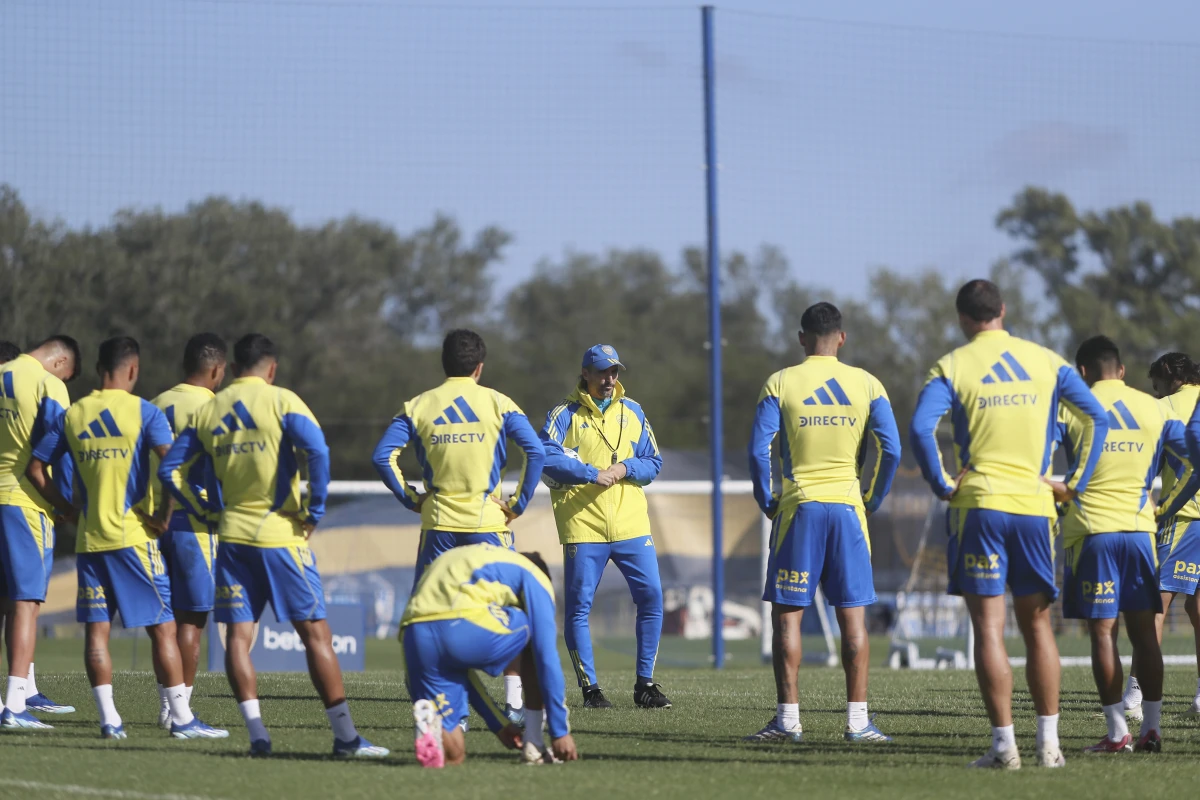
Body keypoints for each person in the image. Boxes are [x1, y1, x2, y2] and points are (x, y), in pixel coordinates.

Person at [910, 279, 1108, 770]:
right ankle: (1049, 746)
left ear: (962, 318)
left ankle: (1004, 747)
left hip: (978, 505)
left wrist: (940, 482)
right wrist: (1073, 484)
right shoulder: (1047, 361)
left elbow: (919, 427)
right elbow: (1097, 417)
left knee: (989, 628)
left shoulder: (953, 365)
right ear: (1003, 309)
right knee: (1039, 626)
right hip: (1035, 506)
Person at [159, 333, 386, 758]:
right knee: (316, 634)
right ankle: (346, 738)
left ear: (234, 366)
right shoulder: (282, 401)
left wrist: (203, 510)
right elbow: (317, 449)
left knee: (238, 639)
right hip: (280, 534)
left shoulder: (211, 410)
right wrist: (314, 510)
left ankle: (257, 734)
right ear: (271, 367)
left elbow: (171, 469)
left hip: (231, 540)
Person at [26, 336, 227, 740]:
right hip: (134, 536)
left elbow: (36, 468)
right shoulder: (143, 412)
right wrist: (162, 516)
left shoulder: (75, 413)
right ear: (132, 370)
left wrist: (67, 509)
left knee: (97, 631)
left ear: (100, 368)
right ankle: (181, 718)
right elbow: (171, 467)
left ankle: (109, 719)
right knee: (164, 628)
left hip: (89, 540)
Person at [744, 302, 901, 743]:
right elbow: (892, 450)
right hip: (849, 509)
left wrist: (767, 499)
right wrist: (872, 497)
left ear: (801, 338)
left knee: (788, 620)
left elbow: (759, 451)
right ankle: (858, 723)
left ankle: (788, 721)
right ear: (842, 338)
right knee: (853, 621)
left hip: (800, 509)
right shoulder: (868, 384)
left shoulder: (781, 381)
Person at [372, 328, 544, 723]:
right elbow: (534, 451)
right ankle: (515, 703)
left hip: (439, 527)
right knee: (506, 610)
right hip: (489, 523)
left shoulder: (419, 405)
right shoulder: (499, 403)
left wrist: (410, 498)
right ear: (479, 368)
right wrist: (517, 504)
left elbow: (382, 456)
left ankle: (449, 710)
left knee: (435, 613)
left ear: (444, 364)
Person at [1054, 336, 1183, 753]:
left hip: (1093, 534)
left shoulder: (1071, 407)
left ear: (1083, 373)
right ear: (1122, 371)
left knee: (1103, 634)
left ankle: (1116, 733)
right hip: (1141, 533)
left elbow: (1040, 458)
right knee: (1146, 634)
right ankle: (1152, 728)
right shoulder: (1155, 408)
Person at [539, 344, 670, 709]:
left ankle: (645, 685)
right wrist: (588, 473)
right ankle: (590, 690)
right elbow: (543, 454)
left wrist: (624, 468)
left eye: (614, 372)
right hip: (583, 526)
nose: (609, 379)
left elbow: (652, 461)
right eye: (601, 372)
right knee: (579, 608)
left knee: (653, 598)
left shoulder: (633, 411)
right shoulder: (563, 414)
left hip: (632, 525)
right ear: (585, 373)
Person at [402, 544, 577, 767]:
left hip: (414, 634)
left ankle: (431, 726)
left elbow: (462, 672)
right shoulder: (535, 575)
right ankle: (534, 743)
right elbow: (546, 657)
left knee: (454, 755)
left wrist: (498, 723)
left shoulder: (481, 563)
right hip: (460, 627)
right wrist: (560, 731)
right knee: (535, 631)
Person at [144, 333, 227, 728]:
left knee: (164, 624)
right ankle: (181, 713)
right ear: (215, 369)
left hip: (153, 523)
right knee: (191, 623)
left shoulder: (155, 403)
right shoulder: (216, 406)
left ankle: (167, 705)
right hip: (196, 525)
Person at [0, 335, 81, 727]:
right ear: (60, 361)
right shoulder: (49, 384)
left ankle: (19, 696)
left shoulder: (1, 373)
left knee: (6, 604)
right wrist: (62, 503)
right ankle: (15, 706)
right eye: (68, 373)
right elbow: (59, 449)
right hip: (25, 503)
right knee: (26, 603)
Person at [1125, 353, 1200, 718]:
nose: (1155, 394)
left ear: (1168, 379)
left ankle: (1135, 697)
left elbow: (1146, 461)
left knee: (1155, 606)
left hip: (1182, 516)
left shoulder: (1164, 407)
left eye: (1156, 386)